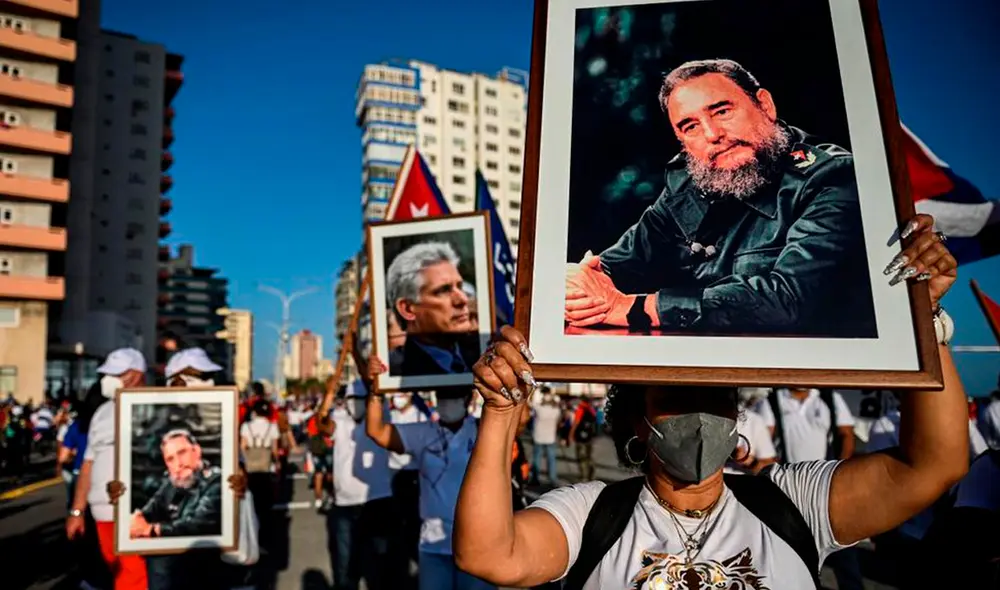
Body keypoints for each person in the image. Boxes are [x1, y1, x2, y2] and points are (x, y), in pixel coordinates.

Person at [454, 214, 969, 590]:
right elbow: (489, 555)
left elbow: (934, 463)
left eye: (715, 394)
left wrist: (923, 321)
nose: (699, 416)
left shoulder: (793, 505)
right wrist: (500, 412)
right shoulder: (592, 514)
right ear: (636, 420)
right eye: (674, 396)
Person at [563, 59, 875, 338]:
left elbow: (788, 300)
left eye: (722, 111)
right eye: (690, 126)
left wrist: (632, 308)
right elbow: (616, 265)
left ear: (765, 105)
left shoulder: (833, 177)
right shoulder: (687, 183)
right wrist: (577, 284)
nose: (712, 134)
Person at [366, 357, 496, 590]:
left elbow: (519, 423)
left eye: (454, 396)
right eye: (442, 397)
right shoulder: (424, 432)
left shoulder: (484, 431)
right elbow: (376, 431)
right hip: (433, 547)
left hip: (481, 548)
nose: (447, 402)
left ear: (468, 399)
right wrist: (375, 392)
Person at [66, 347, 149, 590]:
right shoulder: (102, 413)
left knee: (133, 576)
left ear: (135, 374)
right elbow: (88, 464)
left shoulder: (153, 407)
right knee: (115, 573)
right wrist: (77, 512)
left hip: (135, 512)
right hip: (101, 514)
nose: (107, 380)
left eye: (116, 374)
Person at [317, 377, 395, 590]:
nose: (355, 402)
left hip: (376, 501)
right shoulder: (340, 420)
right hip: (344, 505)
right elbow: (321, 425)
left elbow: (376, 390)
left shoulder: (382, 417)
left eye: (359, 398)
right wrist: (329, 395)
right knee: (345, 569)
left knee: (379, 567)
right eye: (351, 398)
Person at [385, 242, 480, 376]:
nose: (463, 299)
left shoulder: (481, 353)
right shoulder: (394, 370)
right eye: (443, 290)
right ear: (407, 309)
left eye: (460, 286)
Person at [240, 398, 280, 521]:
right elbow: (274, 448)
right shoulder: (272, 426)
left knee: (252, 493)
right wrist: (277, 461)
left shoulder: (246, 426)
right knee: (266, 494)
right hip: (265, 465)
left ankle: (254, 518)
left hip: (250, 465)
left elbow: (243, 446)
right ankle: (266, 519)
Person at [530, 387, 562, 484]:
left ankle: (535, 478)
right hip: (550, 437)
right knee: (551, 459)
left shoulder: (539, 408)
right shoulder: (556, 410)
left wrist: (533, 390)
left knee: (537, 458)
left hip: (538, 437)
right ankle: (552, 479)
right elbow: (558, 422)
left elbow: (529, 402)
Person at [568, 397, 598, 481]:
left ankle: (584, 477)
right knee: (589, 457)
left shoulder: (580, 409)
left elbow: (576, 423)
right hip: (589, 438)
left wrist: (570, 435)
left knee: (581, 458)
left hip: (580, 438)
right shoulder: (591, 410)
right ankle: (591, 476)